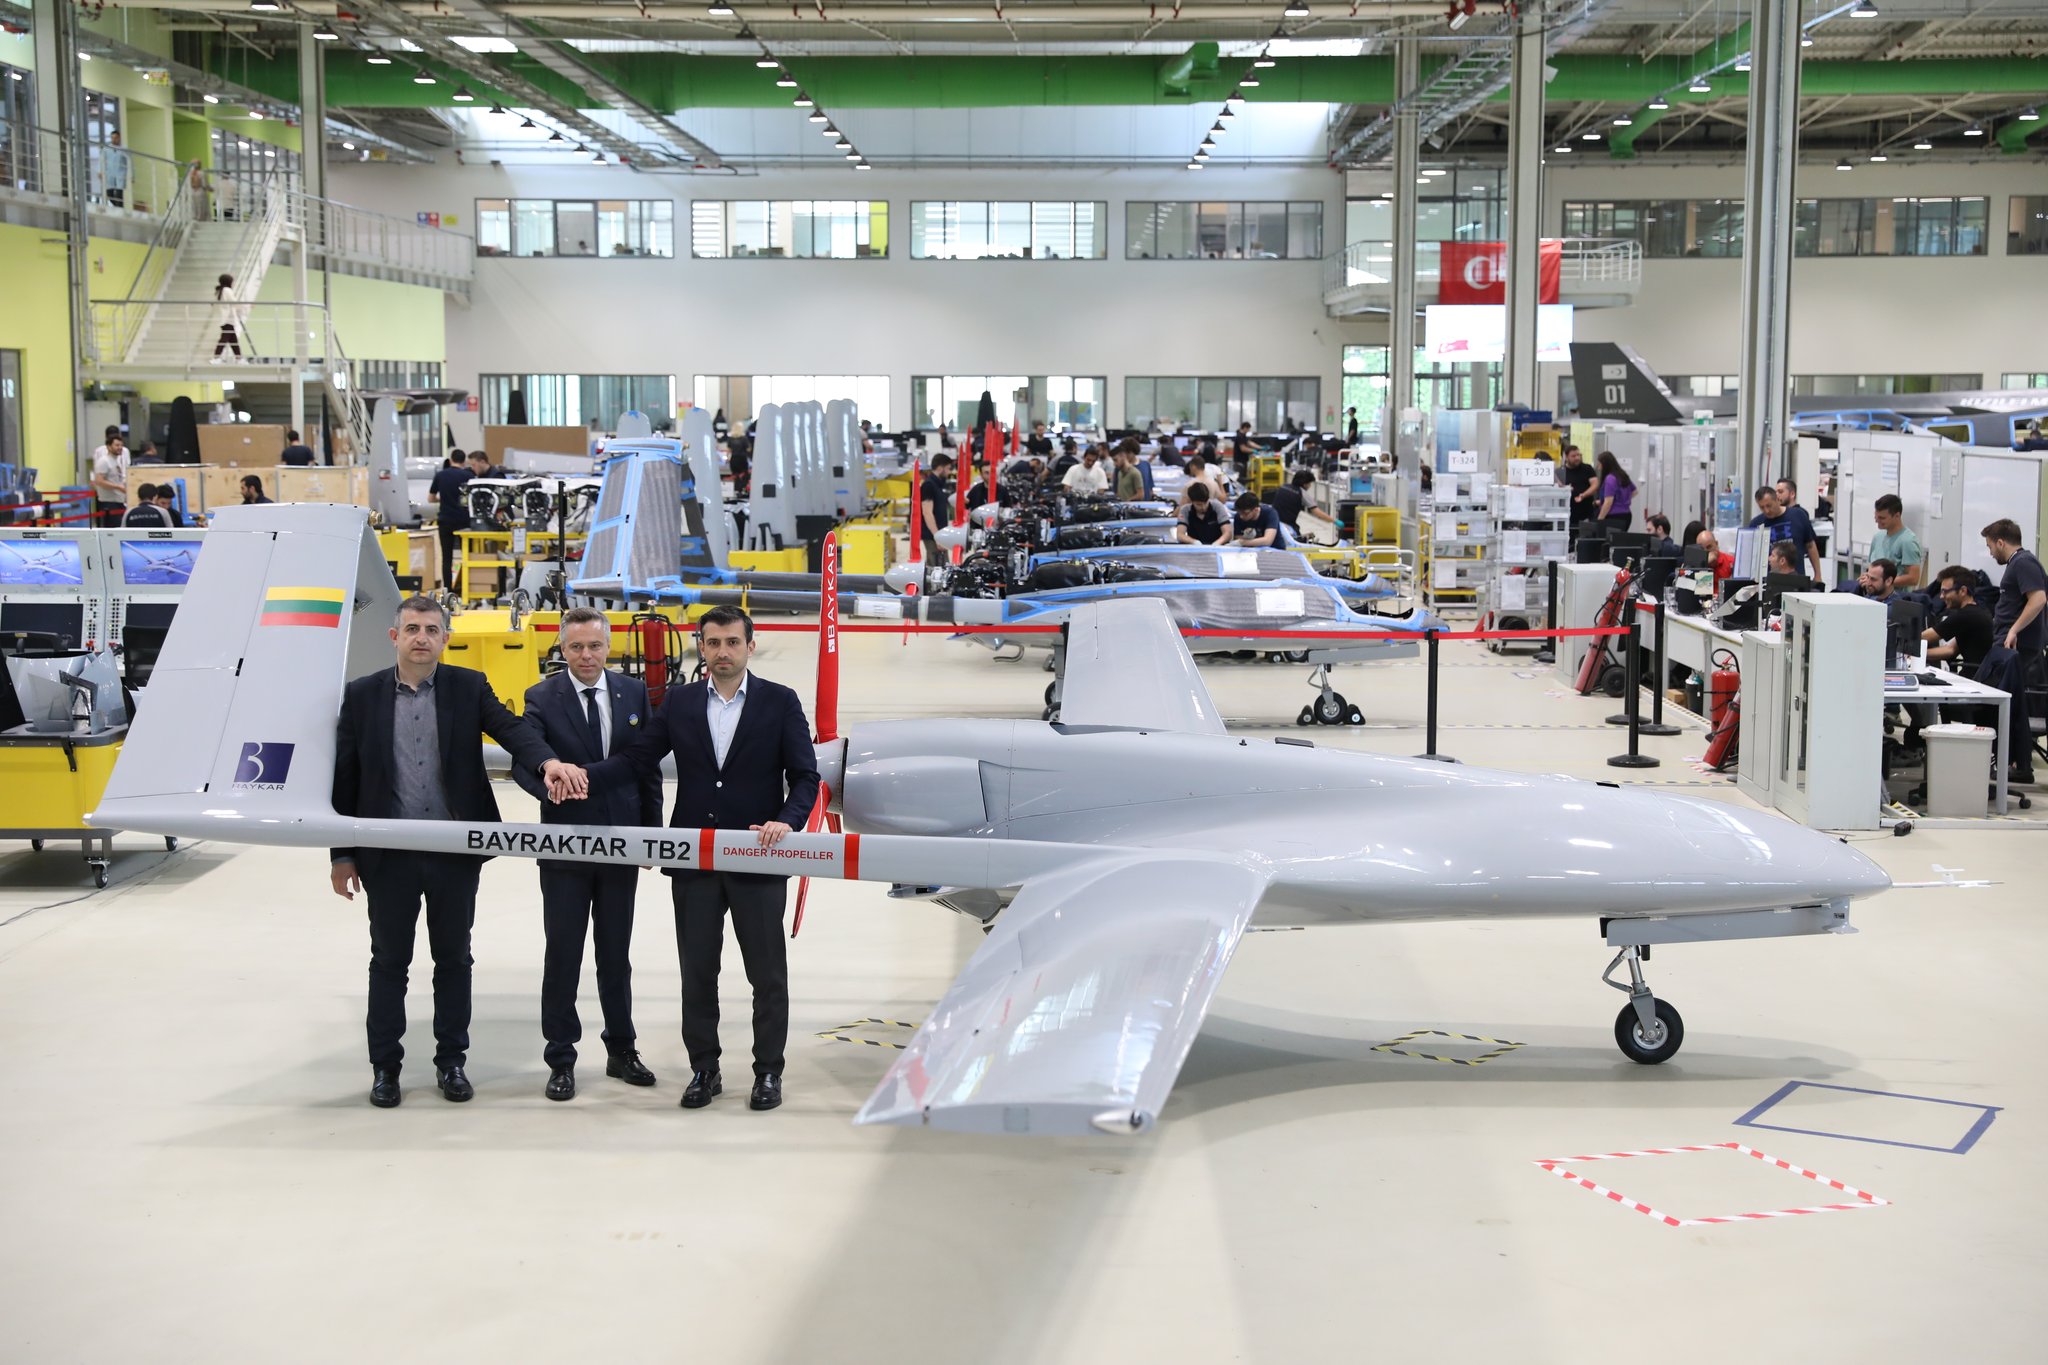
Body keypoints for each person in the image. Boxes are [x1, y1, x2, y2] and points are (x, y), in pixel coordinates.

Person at [330, 596, 579, 1108]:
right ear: (394, 636)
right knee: (389, 962)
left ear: (445, 639)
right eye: (412, 629)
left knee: (453, 959)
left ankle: (451, 1063)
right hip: (389, 855)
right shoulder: (361, 695)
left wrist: (548, 762)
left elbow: (512, 730)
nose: (421, 638)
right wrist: (342, 854)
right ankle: (385, 1068)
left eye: (431, 630)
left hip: (454, 852)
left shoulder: (468, 687)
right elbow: (346, 777)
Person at [581, 606, 820, 1113]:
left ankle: (768, 1072)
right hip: (695, 861)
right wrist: (582, 778)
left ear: (750, 646)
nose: (722, 652)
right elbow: (638, 759)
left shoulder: (780, 701)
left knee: (767, 975)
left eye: (732, 642)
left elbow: (805, 776)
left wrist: (787, 820)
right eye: (713, 643)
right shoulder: (680, 701)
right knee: (697, 972)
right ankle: (703, 1069)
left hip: (758, 857)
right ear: (701, 647)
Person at [510, 609, 663, 1101]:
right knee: (563, 954)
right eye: (576, 647)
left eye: (594, 646)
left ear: (608, 645)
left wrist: (650, 835)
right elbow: (523, 762)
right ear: (562, 648)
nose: (586, 656)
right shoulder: (542, 696)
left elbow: (647, 767)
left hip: (621, 844)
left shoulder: (633, 693)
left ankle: (622, 1050)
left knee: (615, 955)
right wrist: (549, 787)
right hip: (565, 847)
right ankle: (561, 1058)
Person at [1976, 519, 2048, 783]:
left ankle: (2019, 765)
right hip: (2010, 648)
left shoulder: (2023, 563)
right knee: (2007, 706)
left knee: (2010, 707)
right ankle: (2014, 762)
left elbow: (2038, 599)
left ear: (2000, 542)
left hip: (2017, 650)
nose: (1990, 553)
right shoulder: (2017, 564)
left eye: (1990, 546)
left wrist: (2014, 630)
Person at [1924, 565, 1993, 672]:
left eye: (1945, 591)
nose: (1941, 596)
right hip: (1979, 674)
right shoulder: (1978, 611)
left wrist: (1902, 642)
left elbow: (1923, 637)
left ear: (1963, 591)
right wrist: (1918, 654)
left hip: (1973, 677)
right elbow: (1951, 650)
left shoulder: (1966, 615)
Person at [1747, 485, 1823, 579]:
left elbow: (1810, 545)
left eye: (1769, 506)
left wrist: (1818, 574)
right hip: (1768, 581)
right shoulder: (1756, 524)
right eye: (1762, 507)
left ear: (1778, 500)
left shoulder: (1798, 515)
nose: (1766, 511)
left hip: (1796, 579)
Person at [429, 451, 474, 593]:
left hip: (445, 520)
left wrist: (443, 499)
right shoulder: (469, 476)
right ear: (464, 461)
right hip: (464, 521)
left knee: (446, 558)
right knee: (467, 556)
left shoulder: (440, 475)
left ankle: (448, 590)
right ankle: (467, 588)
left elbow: (431, 498)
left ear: (450, 460)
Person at [1870, 494, 1924, 590]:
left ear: (1897, 516)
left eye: (1882, 518)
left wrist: (1883, 582)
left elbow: (1914, 578)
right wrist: (1868, 577)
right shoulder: (1877, 537)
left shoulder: (1908, 541)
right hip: (1874, 594)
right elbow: (1871, 566)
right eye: (1876, 517)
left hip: (1896, 596)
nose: (1877, 521)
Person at [920, 452, 954, 563]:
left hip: (939, 534)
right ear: (940, 468)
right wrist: (937, 537)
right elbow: (927, 513)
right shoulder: (929, 485)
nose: (949, 472)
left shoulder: (938, 485)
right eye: (948, 468)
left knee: (943, 565)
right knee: (935, 566)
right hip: (932, 535)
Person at [91, 431, 129, 527]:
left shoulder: (116, 461)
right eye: (117, 445)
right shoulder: (104, 461)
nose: (120, 447)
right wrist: (118, 487)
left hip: (119, 501)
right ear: (108, 446)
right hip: (109, 503)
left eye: (121, 445)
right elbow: (99, 481)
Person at [1559, 445, 1597, 534]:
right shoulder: (1561, 471)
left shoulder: (1587, 469)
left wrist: (1584, 495)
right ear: (1566, 457)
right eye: (1573, 456)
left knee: (1586, 536)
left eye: (1578, 455)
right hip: (1568, 513)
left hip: (1586, 511)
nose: (1577, 458)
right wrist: (1565, 489)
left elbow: (1595, 484)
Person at [210, 272, 246, 362]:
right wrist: (247, 305)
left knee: (233, 340)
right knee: (224, 339)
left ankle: (239, 358)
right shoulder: (227, 290)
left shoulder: (220, 291)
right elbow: (234, 302)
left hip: (225, 319)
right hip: (228, 319)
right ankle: (216, 358)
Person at [1594, 452, 1634, 531]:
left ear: (1605, 464)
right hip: (1626, 514)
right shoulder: (1622, 475)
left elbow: (1608, 502)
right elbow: (1634, 491)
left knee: (1609, 538)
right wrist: (1622, 500)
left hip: (1613, 516)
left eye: (1599, 464)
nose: (1598, 467)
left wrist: (1600, 519)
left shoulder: (1610, 478)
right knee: (1620, 538)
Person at [104, 131, 129, 208]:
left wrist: (132, 176)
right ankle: (118, 208)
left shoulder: (124, 149)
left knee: (119, 194)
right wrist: (100, 171)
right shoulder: (106, 149)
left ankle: (120, 208)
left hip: (120, 173)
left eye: (116, 138)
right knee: (109, 194)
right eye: (112, 138)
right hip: (110, 173)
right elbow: (102, 160)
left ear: (119, 138)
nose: (114, 140)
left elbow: (129, 162)